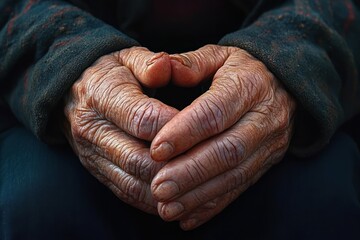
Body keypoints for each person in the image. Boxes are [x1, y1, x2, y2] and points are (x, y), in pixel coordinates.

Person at [1, 0, 360, 239]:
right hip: (51, 114)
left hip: (299, 109)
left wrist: (290, 58)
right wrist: (67, 60)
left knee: (326, 195)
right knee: (35, 199)